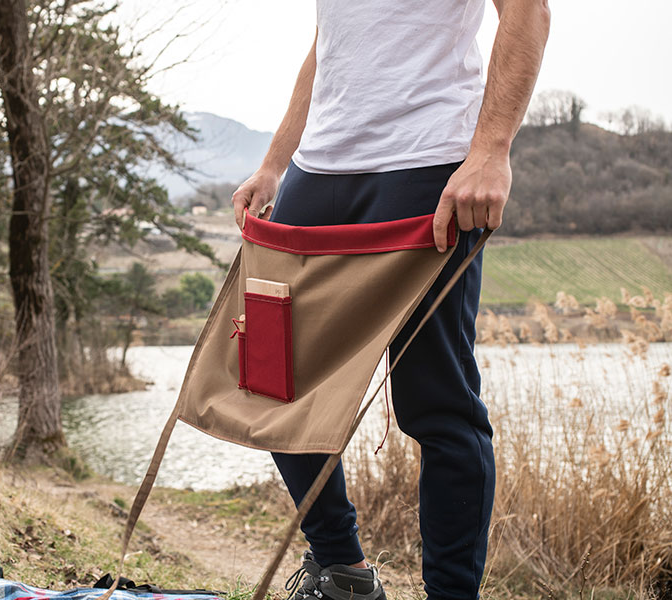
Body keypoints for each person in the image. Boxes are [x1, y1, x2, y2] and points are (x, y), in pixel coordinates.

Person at [231, 1, 550, 599]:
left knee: (436, 403)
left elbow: (527, 10)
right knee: (272, 381)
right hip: (318, 169)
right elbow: (331, 41)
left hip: (426, 165)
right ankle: (342, 574)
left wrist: (490, 151)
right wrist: (275, 162)